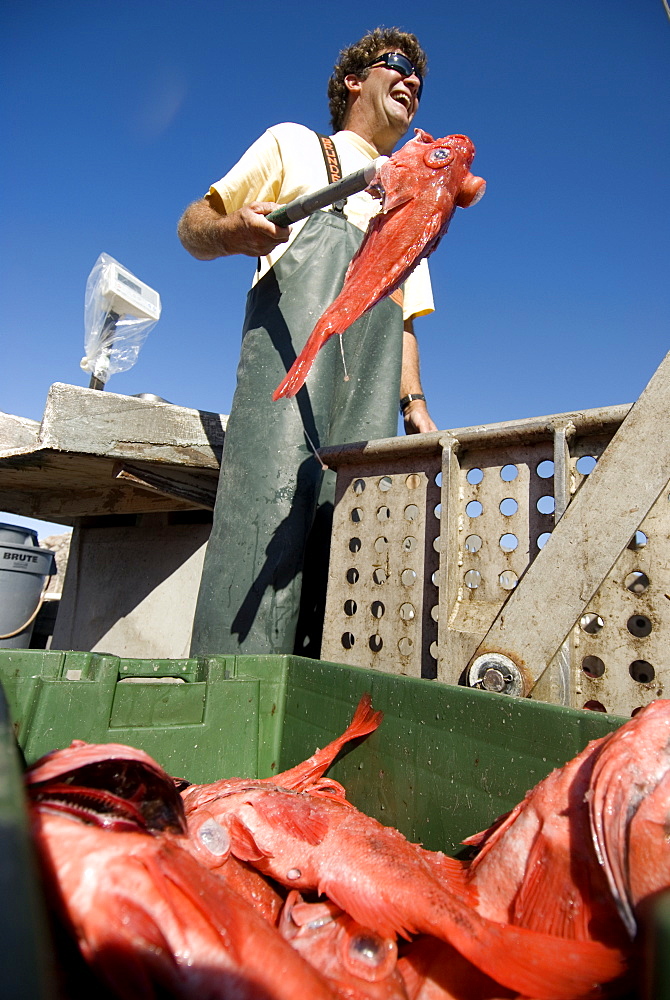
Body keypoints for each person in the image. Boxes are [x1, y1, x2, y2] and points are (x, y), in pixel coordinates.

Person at [179, 27, 438, 659]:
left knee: (351, 569)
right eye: (397, 66)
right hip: (284, 402)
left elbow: (401, 318)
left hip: (367, 413)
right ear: (355, 79)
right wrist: (230, 232)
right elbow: (192, 225)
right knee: (260, 542)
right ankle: (229, 708)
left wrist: (416, 409)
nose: (411, 82)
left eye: (420, 81)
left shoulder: (411, 204)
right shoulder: (295, 145)